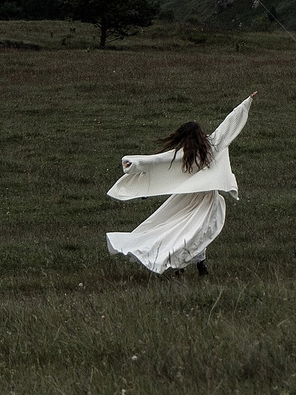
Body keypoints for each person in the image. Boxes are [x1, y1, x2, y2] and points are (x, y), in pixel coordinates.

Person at [106, 93, 254, 276]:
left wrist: (133, 164)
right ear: (199, 134)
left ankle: (187, 264)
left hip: (187, 198)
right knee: (198, 230)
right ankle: (190, 263)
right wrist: (246, 103)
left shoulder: (182, 155)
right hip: (206, 198)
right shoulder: (212, 145)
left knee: (187, 229)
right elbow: (229, 124)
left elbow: (155, 161)